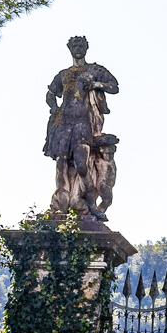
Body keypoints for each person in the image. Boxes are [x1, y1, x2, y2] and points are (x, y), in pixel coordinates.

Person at [45, 36, 121, 220]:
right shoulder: (64, 74)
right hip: (64, 123)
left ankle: (90, 203)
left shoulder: (95, 70)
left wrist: (96, 84)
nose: (77, 48)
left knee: (81, 165)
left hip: (84, 122)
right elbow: (50, 94)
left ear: (87, 48)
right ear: (69, 48)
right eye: (74, 45)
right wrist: (55, 110)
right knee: (61, 165)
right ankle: (61, 204)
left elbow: (115, 87)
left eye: (81, 45)